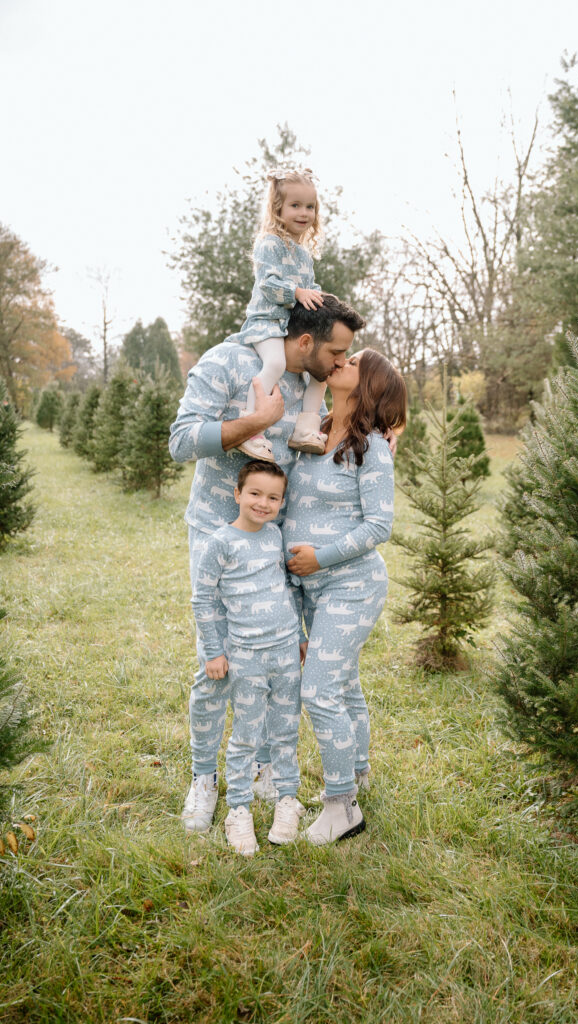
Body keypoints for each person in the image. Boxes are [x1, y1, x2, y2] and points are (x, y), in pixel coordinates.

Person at [170, 295, 366, 834]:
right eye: (336, 350)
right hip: (220, 532)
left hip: (276, 545)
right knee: (221, 663)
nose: (341, 361)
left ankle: (259, 768)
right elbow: (182, 440)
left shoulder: (313, 384)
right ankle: (203, 779)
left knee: (278, 661)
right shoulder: (227, 363)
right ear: (305, 342)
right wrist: (254, 421)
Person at [284, 348, 407, 844]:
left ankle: (342, 807)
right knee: (344, 683)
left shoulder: (372, 448)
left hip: (351, 584)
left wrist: (321, 557)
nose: (339, 361)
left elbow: (380, 525)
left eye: (352, 360)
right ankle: (356, 772)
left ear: (368, 385)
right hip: (309, 586)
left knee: (317, 689)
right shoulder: (312, 431)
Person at [195, 460, 305, 855]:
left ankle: (287, 800)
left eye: (273, 497)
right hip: (245, 655)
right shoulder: (220, 542)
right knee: (246, 733)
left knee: (285, 729)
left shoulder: (274, 536)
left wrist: (301, 636)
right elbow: (203, 598)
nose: (263, 503)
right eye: (255, 493)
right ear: (238, 494)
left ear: (281, 502)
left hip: (285, 650)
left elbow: (289, 588)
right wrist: (214, 652)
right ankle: (237, 809)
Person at [226, 167, 328, 461]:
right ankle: (250, 428)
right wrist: (297, 293)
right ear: (277, 208)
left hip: (293, 330)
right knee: (275, 362)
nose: (303, 212)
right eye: (295, 205)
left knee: (319, 373)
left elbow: (310, 289)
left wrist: (324, 300)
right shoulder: (268, 243)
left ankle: (305, 430)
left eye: (309, 206)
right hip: (268, 323)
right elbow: (268, 284)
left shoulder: (304, 254)